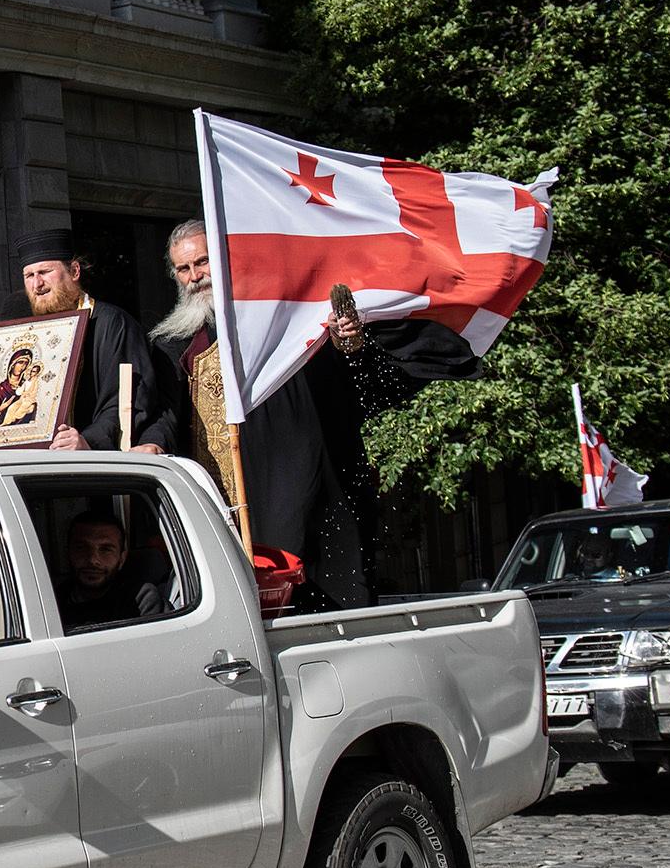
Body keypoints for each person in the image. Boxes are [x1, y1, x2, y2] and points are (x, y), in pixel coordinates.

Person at [151, 218, 480, 610]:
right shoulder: (173, 344)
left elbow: (352, 387)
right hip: (224, 507)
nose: (195, 276)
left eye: (202, 263)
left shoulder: (289, 317)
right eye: (184, 269)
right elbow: (164, 414)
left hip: (302, 494)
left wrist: (349, 344)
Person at [12, 228, 178, 455]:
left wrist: (89, 439)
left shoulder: (112, 323)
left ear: (74, 271)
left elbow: (129, 400)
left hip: (97, 466)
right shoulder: (30, 336)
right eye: (29, 276)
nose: (37, 284)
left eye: (45, 272)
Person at [55, 511, 165, 629]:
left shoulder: (140, 598)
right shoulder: (52, 601)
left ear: (122, 558)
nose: (93, 560)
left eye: (105, 549)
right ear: (68, 553)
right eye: (82, 548)